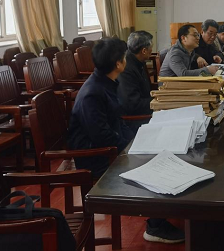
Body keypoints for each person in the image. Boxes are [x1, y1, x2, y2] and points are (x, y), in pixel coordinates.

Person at [67, 38, 185, 244]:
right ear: (118, 64)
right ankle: (155, 226)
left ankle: (168, 210)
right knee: (153, 161)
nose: (126, 60)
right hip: (96, 157)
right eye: (124, 57)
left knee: (161, 148)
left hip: (111, 147)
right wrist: (133, 148)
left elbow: (117, 122)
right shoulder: (92, 94)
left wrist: (137, 140)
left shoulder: (106, 82)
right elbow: (102, 136)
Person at [117, 31, 154, 132]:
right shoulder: (126, 68)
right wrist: (158, 101)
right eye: (151, 47)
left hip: (145, 109)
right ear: (144, 51)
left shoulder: (138, 61)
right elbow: (132, 104)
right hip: (134, 119)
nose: (152, 50)